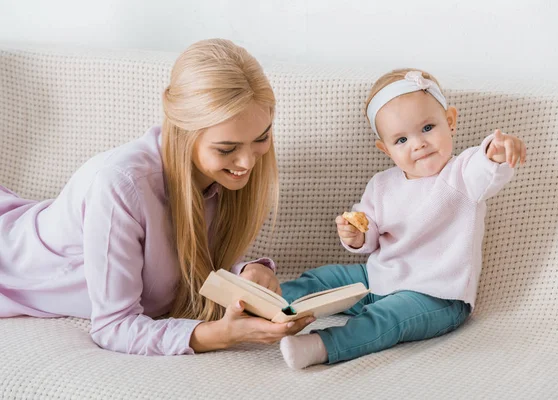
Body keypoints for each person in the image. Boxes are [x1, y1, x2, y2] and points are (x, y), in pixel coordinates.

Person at [0, 38, 314, 356]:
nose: (247, 162)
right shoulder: (121, 185)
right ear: (184, 132)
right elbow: (113, 327)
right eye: (227, 149)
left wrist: (246, 274)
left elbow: (178, 267)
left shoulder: (220, 179)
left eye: (261, 138)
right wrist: (219, 335)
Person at [279, 69, 527, 369]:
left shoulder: (462, 175)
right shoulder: (382, 185)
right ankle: (270, 303)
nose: (418, 144)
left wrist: (496, 152)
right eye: (401, 140)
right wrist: (356, 237)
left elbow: (484, 166)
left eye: (427, 127)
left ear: (450, 121)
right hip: (379, 277)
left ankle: (322, 345)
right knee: (322, 279)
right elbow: (369, 235)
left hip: (437, 296)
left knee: (387, 318)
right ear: (386, 150)